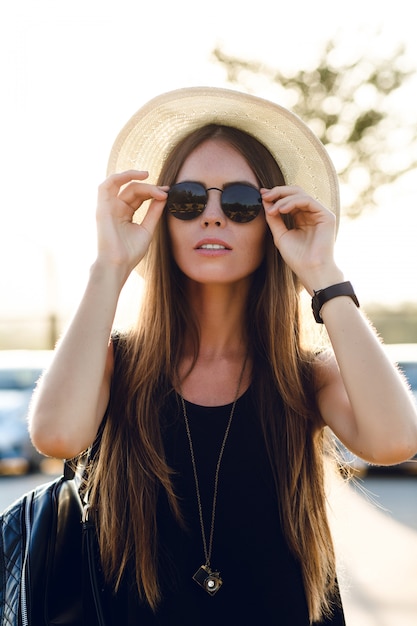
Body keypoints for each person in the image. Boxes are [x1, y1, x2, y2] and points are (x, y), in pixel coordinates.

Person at [29, 87, 417, 625]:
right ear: (163, 218)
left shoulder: (304, 376)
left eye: (239, 202)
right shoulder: (119, 364)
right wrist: (110, 265)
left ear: (273, 219)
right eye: (189, 199)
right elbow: (55, 434)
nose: (213, 217)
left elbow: (395, 439)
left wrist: (323, 274)